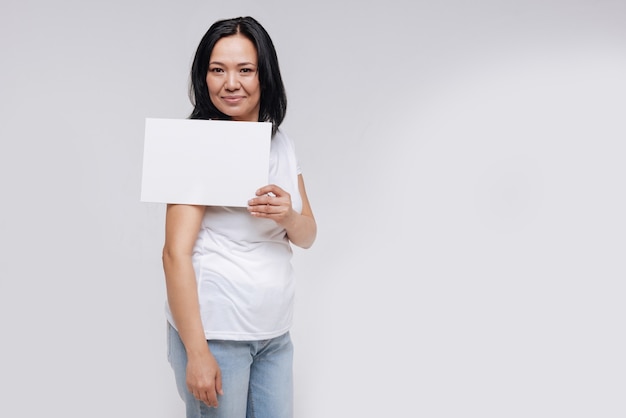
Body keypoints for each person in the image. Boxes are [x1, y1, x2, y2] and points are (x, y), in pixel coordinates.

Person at [162, 16, 316, 418]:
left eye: (245, 70)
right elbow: (174, 255)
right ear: (204, 76)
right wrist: (197, 353)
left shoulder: (281, 142)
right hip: (218, 336)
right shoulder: (193, 146)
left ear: (265, 75)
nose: (231, 83)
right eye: (218, 70)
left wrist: (287, 214)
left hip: (274, 335)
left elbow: (307, 235)